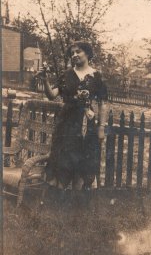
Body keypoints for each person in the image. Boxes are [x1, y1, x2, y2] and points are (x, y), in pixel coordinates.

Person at [38, 41, 108, 190]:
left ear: (87, 53)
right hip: (67, 125)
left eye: (78, 51)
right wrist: (45, 80)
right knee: (64, 161)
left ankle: (77, 203)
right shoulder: (66, 74)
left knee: (83, 163)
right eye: (72, 53)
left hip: (87, 125)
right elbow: (52, 95)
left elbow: (103, 103)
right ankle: (59, 201)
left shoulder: (96, 76)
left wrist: (101, 127)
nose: (74, 55)